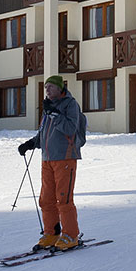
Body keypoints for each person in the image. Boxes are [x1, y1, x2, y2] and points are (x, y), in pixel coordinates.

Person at [17, 75, 87, 251]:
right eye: (45, 87)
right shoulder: (48, 108)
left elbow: (70, 129)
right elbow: (44, 133)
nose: (47, 90)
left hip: (65, 157)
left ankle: (70, 236)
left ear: (60, 88)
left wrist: (54, 114)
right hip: (47, 158)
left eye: (50, 87)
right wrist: (31, 143)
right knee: (46, 199)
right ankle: (52, 233)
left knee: (63, 199)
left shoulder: (70, 105)